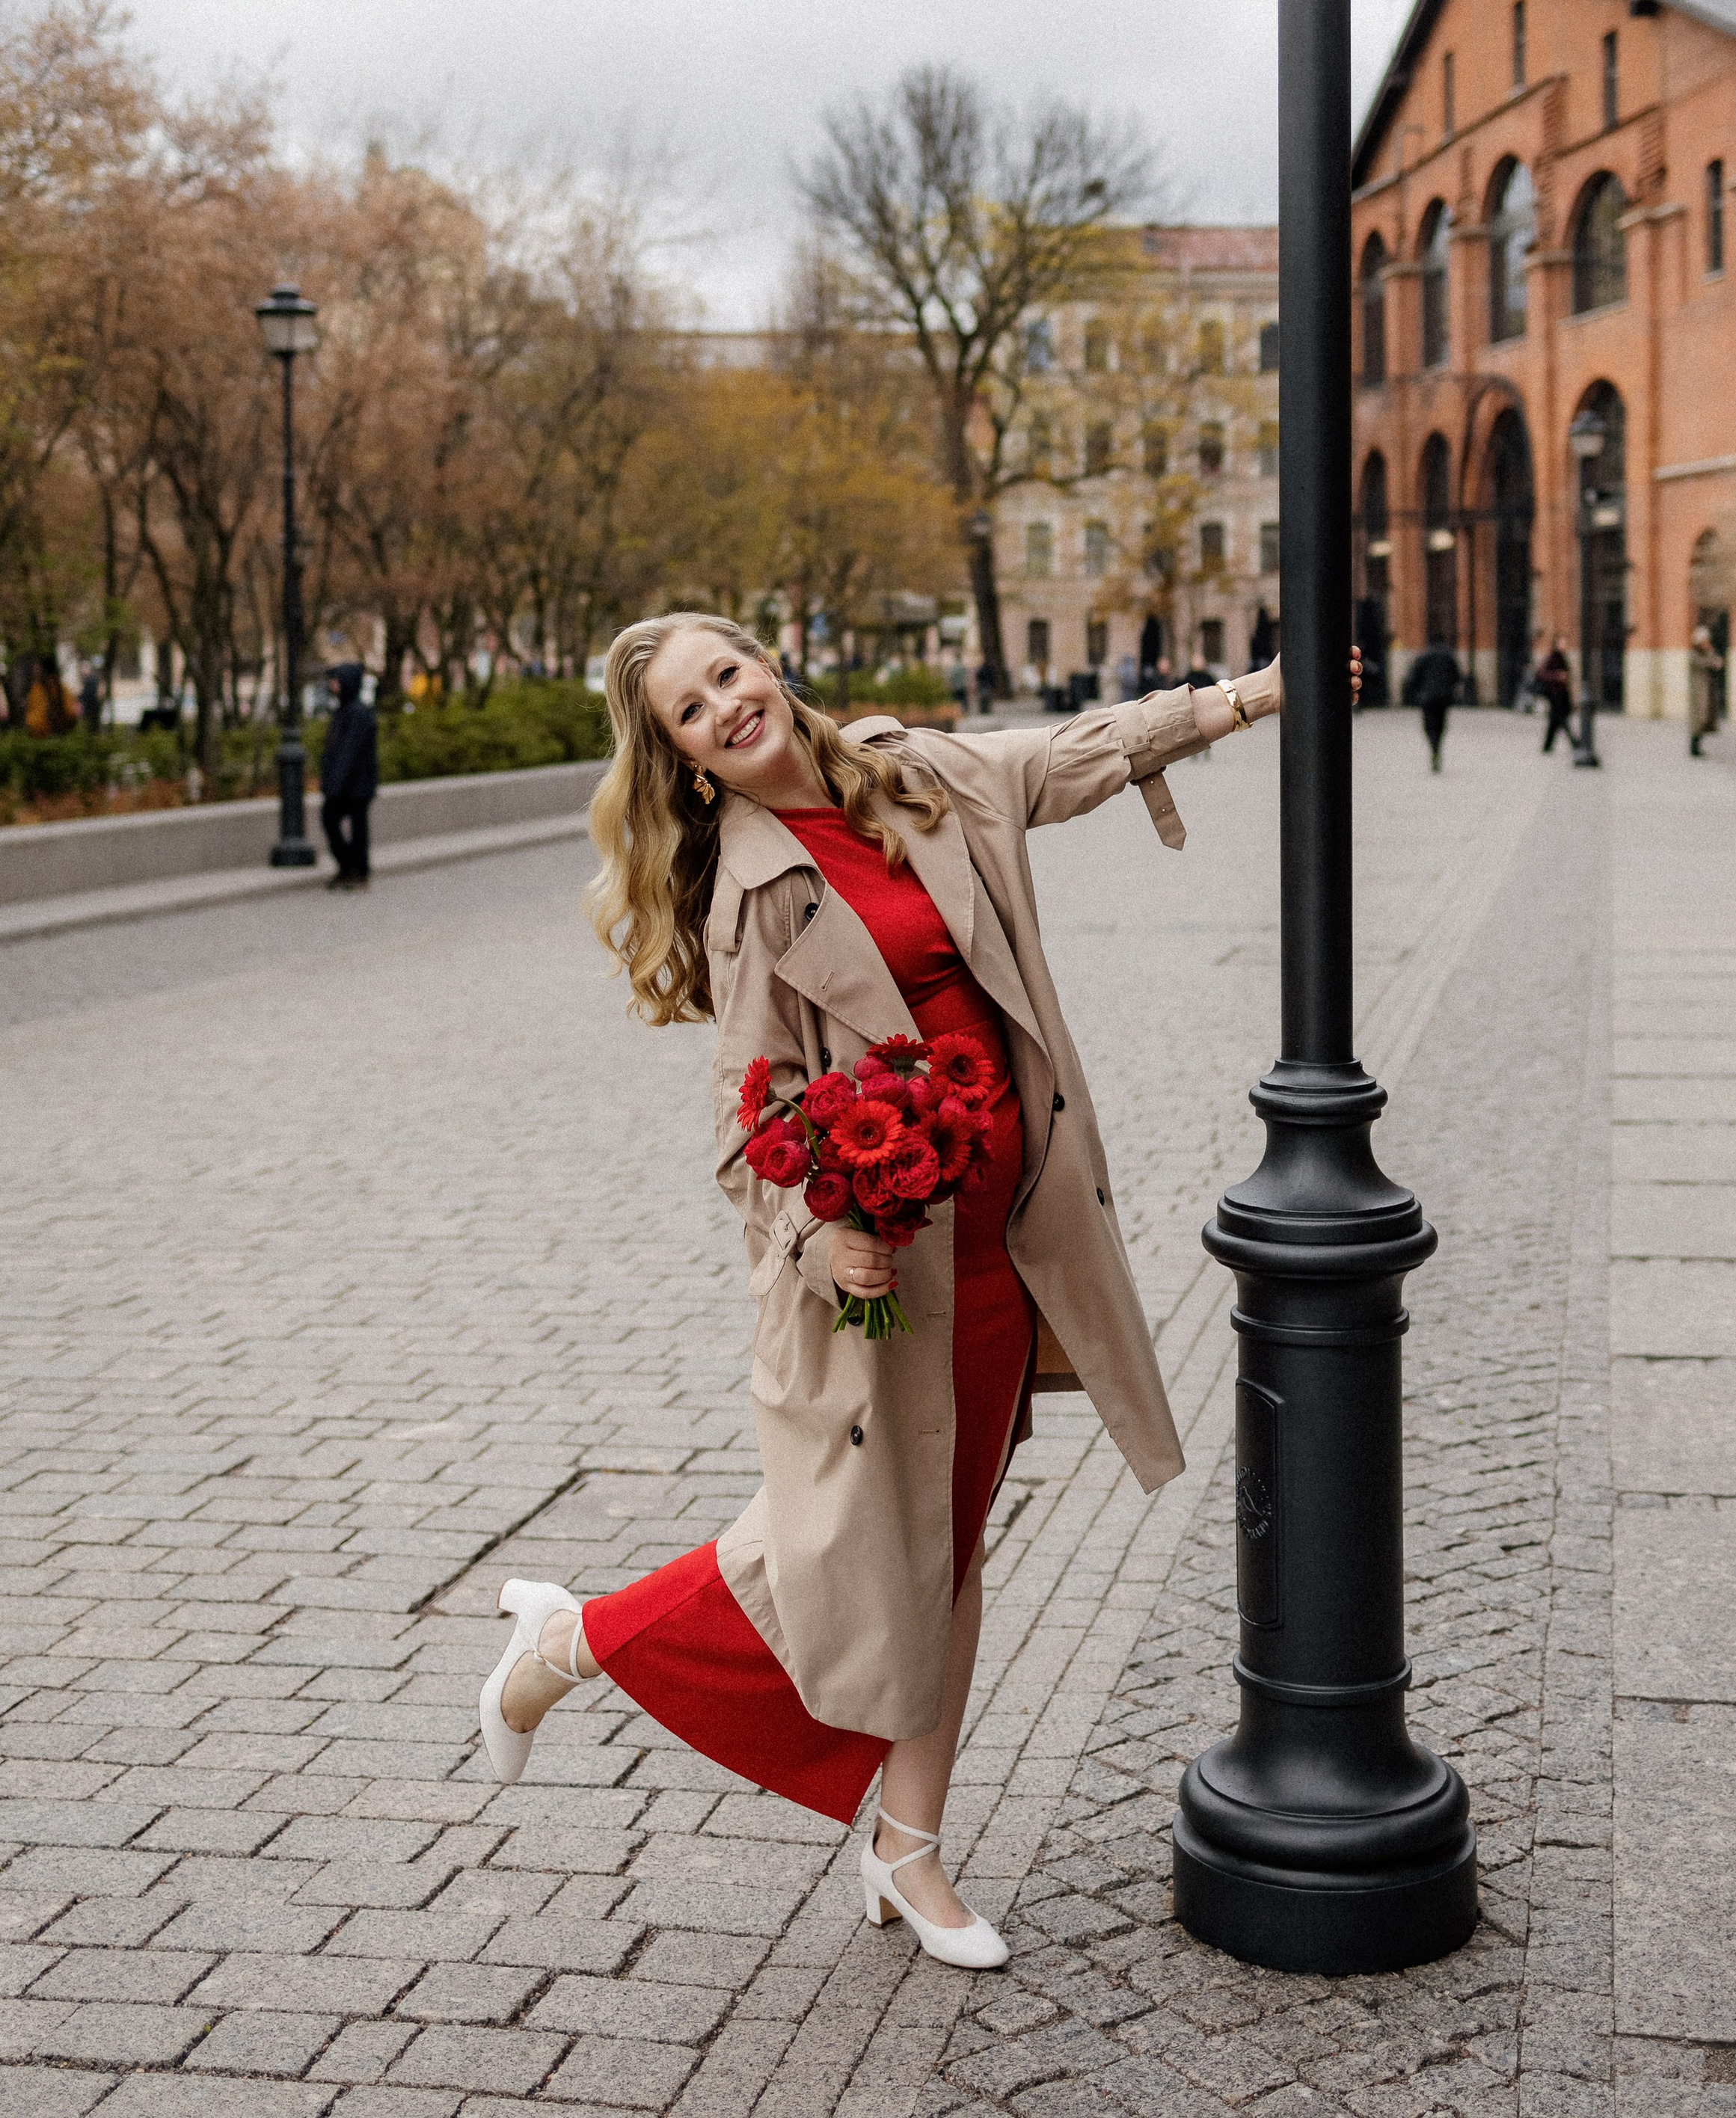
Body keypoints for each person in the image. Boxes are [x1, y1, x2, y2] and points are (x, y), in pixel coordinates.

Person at [476, 611, 1362, 1972]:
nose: (725, 706)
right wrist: (820, 1228)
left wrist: (1252, 696)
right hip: (889, 1278)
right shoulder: (750, 899)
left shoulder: (912, 775)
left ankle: (905, 1843)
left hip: (1008, 1246)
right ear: (689, 762)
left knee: (941, 1548)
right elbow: (745, 1124)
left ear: (767, 666)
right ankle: (581, 1645)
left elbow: (1072, 756)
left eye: (729, 672)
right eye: (692, 712)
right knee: (844, 1548)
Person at [319, 663, 378, 888]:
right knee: (333, 820)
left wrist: (335, 782)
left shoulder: (359, 713)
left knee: (356, 827)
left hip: (356, 784)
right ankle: (350, 867)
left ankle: (357, 870)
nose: (332, 685)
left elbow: (348, 751)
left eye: (336, 680)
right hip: (346, 783)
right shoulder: (343, 711)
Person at [1401, 638, 1462, 771]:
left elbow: (1413, 677)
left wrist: (1415, 692)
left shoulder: (1423, 656)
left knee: (1429, 725)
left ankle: (1434, 747)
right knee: (1441, 724)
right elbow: (1457, 676)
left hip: (1427, 697)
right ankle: (1437, 747)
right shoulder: (1449, 656)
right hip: (1444, 697)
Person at [1687, 621, 1726, 758]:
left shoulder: (1706, 652)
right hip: (1698, 691)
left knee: (1705, 718)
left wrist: (1711, 654)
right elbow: (1709, 663)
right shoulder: (1694, 654)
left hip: (1707, 689)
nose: (1707, 643)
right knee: (1698, 718)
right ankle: (1694, 747)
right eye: (1704, 641)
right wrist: (1712, 658)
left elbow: (1717, 662)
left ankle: (1698, 746)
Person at [1534, 636, 1575, 755]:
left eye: (1565, 642)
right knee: (1561, 718)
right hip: (1554, 693)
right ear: (1556, 644)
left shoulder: (1562, 657)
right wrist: (1557, 677)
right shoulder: (1552, 657)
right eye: (1562, 643)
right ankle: (1575, 743)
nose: (1565, 645)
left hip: (1562, 693)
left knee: (1554, 720)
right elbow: (1541, 673)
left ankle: (1547, 746)